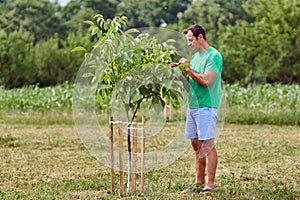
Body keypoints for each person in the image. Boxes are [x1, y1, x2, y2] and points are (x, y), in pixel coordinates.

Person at [171, 24, 223, 194]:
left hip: (206, 105)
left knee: (207, 144)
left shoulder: (214, 56)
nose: (189, 44)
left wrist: (187, 68)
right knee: (196, 144)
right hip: (193, 105)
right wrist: (179, 72)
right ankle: (198, 181)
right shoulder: (195, 57)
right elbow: (191, 81)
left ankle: (209, 184)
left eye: (190, 40)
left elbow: (206, 81)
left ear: (200, 37)